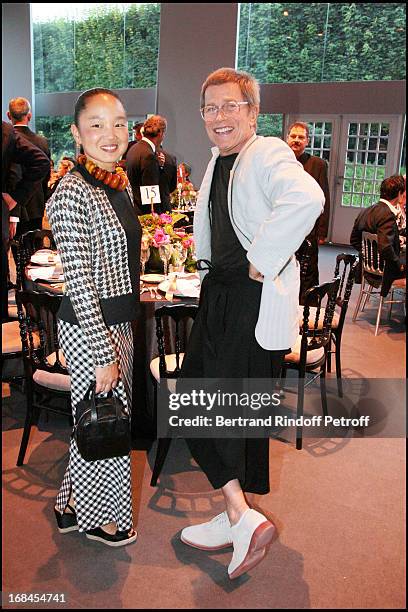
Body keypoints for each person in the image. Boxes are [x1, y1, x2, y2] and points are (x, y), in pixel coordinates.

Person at [178, 68, 323, 579]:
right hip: (220, 295)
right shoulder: (220, 160)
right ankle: (238, 513)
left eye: (229, 106)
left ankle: (240, 514)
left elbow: (307, 198)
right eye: (210, 108)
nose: (219, 117)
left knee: (207, 404)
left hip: (249, 301)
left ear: (252, 111)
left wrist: (262, 258)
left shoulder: (266, 152)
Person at [46, 88, 141, 547]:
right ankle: (101, 519)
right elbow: (80, 279)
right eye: (97, 124)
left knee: (94, 418)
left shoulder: (114, 181)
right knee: (105, 424)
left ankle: (67, 505)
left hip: (117, 320)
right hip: (90, 327)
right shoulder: (71, 191)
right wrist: (104, 351)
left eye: (119, 122)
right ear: (76, 132)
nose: (111, 133)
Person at [2, 120, 50, 319]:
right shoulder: (5, 132)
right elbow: (41, 163)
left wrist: (15, 199)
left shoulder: (6, 133)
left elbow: (40, 163)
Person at [286, 121, 330, 303]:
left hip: (309, 229)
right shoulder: (280, 161)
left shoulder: (318, 164)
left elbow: (324, 197)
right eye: (293, 136)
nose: (296, 140)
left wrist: (322, 231)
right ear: (287, 138)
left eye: (301, 137)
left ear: (307, 141)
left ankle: (307, 309)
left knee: (308, 271)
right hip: (285, 227)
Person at [350, 174, 406, 297]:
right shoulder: (387, 215)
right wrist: (399, 266)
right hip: (383, 272)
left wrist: (369, 257)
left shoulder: (366, 210)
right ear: (398, 193)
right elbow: (385, 247)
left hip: (368, 268)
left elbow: (354, 240)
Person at [7, 97, 51, 234]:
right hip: (36, 206)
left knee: (14, 252)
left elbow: (13, 176)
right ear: (29, 116)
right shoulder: (42, 142)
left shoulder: (9, 139)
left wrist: (13, 213)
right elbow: (45, 175)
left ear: (9, 115)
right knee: (37, 253)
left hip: (13, 206)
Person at [126, 114, 176, 214]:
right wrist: (156, 219)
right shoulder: (149, 155)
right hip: (145, 214)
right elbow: (150, 195)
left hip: (134, 209)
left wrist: (160, 167)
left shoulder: (133, 149)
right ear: (161, 133)